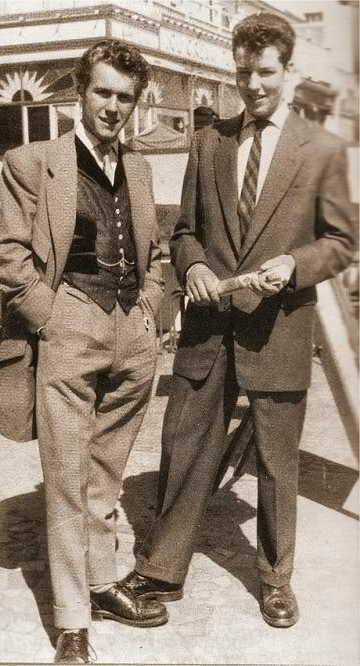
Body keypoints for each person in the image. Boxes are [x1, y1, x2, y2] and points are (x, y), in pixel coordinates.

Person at [122, 13, 355, 629]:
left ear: (290, 71)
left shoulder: (323, 149)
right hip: (208, 330)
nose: (254, 84)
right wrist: (193, 267)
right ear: (235, 68)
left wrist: (295, 263)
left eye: (266, 72)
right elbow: (186, 231)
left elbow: (341, 241)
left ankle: (276, 579)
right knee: (185, 446)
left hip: (278, 330)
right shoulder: (209, 140)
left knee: (278, 464)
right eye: (244, 72)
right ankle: (162, 565)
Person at [0, 39, 168, 664]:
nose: (113, 107)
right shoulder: (34, 161)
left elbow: (157, 250)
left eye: (125, 97)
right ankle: (71, 620)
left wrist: (151, 306)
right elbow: (9, 256)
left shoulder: (141, 166)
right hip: (70, 329)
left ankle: (101, 582)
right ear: (78, 93)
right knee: (66, 480)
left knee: (104, 476)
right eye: (102, 92)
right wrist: (54, 319)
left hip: (133, 337)